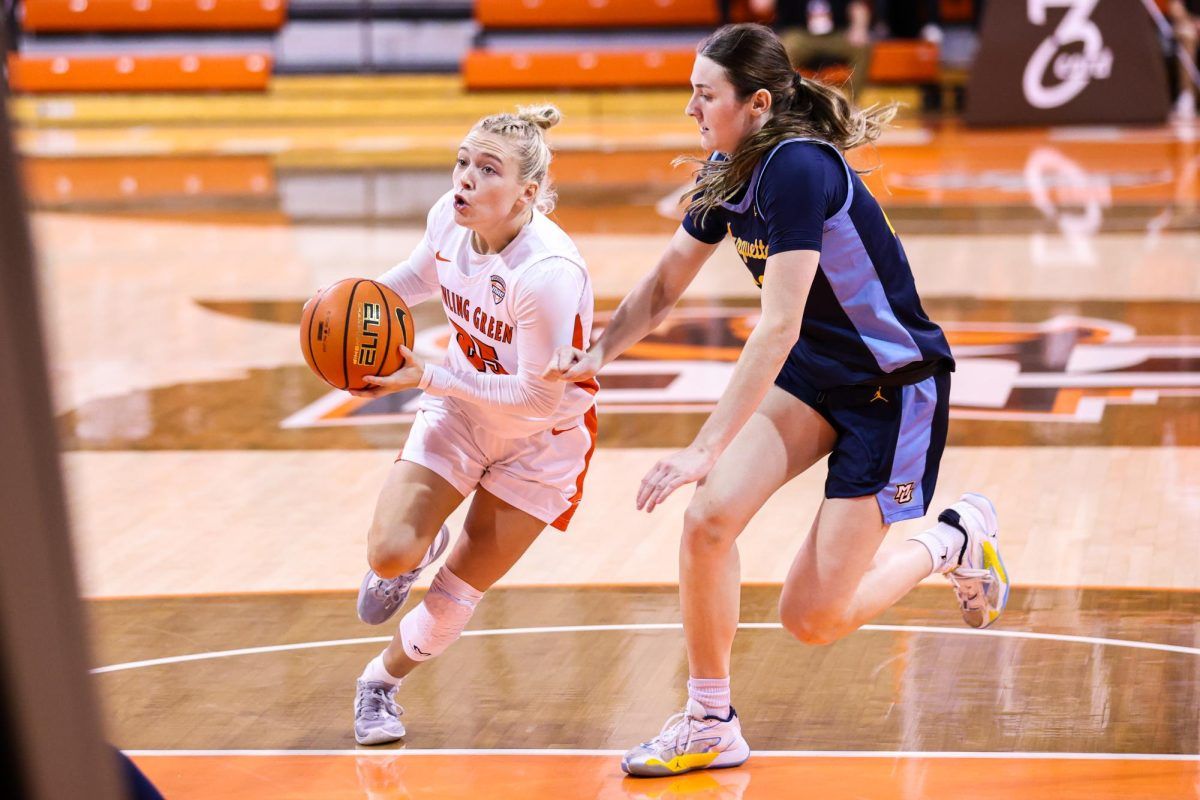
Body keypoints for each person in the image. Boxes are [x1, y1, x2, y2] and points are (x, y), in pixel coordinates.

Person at [544, 23, 1008, 777]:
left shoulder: (796, 168)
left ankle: (951, 540)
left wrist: (704, 448)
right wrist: (595, 353)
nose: (691, 109)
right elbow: (665, 283)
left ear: (756, 103)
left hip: (892, 390)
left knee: (812, 618)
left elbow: (779, 323)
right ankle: (708, 719)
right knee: (707, 522)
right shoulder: (727, 170)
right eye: (691, 92)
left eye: (705, 94)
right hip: (818, 375)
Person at [344, 103, 599, 746]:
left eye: (487, 170)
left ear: (526, 194)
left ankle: (379, 684)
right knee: (390, 551)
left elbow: (536, 403)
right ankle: (415, 549)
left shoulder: (547, 273)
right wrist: (352, 302)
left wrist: (428, 374)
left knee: (458, 591)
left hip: (543, 440)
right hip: (462, 411)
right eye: (463, 162)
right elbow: (417, 278)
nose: (465, 179)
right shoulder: (449, 218)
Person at [749, 0, 873, 97]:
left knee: (862, 47)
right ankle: (783, 103)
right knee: (781, 50)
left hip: (835, 34)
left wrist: (859, 28)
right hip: (799, 34)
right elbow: (760, 6)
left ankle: (853, 104)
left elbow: (857, 6)